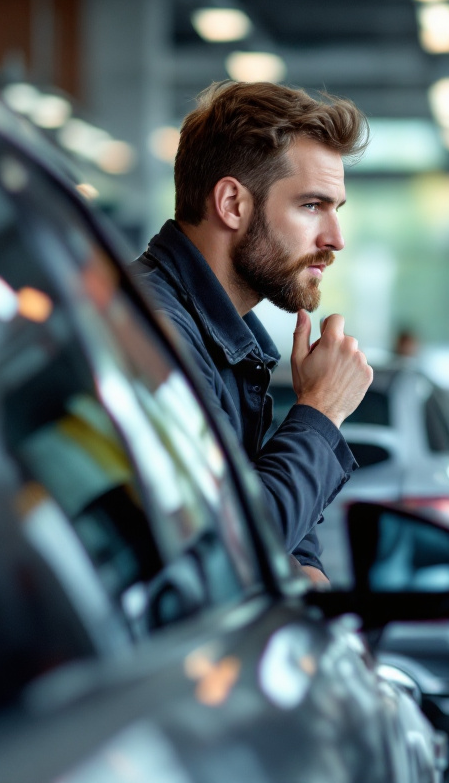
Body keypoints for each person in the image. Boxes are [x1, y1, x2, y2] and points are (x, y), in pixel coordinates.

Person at [131, 81, 373, 587]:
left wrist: (305, 567)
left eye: (336, 209)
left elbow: (257, 506)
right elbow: (233, 544)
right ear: (233, 204)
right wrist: (321, 411)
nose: (335, 239)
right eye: (312, 206)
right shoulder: (154, 332)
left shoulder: (222, 341)